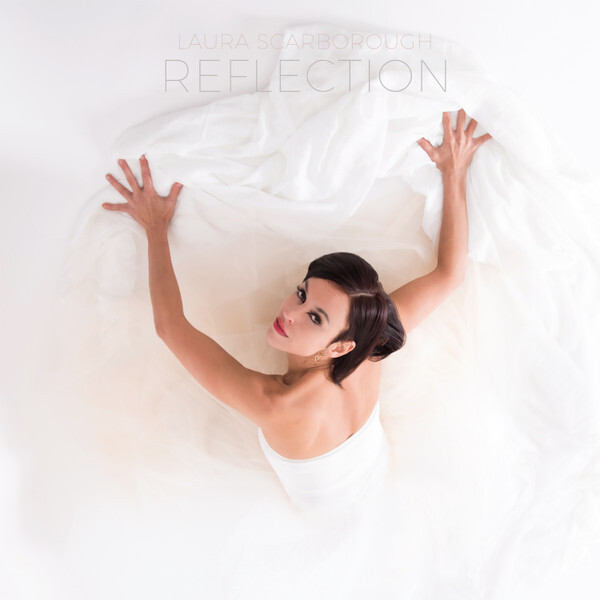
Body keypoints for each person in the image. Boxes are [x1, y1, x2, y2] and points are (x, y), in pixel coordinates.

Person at [101, 108, 492, 513]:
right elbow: (450, 274)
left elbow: (170, 327)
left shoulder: (277, 404)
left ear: (341, 347)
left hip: (324, 509)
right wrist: (454, 172)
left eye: (315, 318)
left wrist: (155, 228)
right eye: (303, 294)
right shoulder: (372, 338)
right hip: (375, 469)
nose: (290, 312)